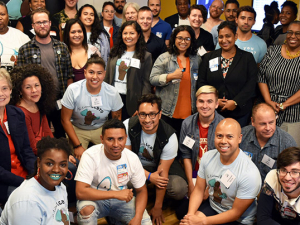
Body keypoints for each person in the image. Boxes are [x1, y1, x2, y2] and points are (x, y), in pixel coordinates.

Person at [180, 118, 262, 225]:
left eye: (229, 136)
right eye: (219, 136)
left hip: (238, 219)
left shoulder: (250, 173)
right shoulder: (208, 157)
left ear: (239, 138)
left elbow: (235, 213)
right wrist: (190, 217)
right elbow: (199, 190)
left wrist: (202, 221)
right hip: (214, 207)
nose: (223, 141)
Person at [124, 94, 187, 225]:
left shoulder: (170, 136)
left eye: (152, 114)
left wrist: (157, 207)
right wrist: (149, 176)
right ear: (137, 114)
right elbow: (127, 160)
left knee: (179, 188)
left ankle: (162, 200)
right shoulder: (128, 125)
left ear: (159, 114)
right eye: (143, 114)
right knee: (126, 181)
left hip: (162, 165)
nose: (147, 119)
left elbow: (162, 175)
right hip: (138, 165)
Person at [75, 119, 151, 225]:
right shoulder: (90, 155)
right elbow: (80, 192)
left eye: (120, 139)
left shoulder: (132, 158)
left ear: (126, 138)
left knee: (144, 221)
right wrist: (115, 194)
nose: (116, 144)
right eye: (110, 139)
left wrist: (137, 218)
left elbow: (142, 191)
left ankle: (114, 219)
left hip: (121, 201)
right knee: (86, 211)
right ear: (102, 139)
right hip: (95, 199)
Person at [17, 8, 73, 139]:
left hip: (60, 100)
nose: (42, 25)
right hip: (37, 101)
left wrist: (69, 99)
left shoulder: (62, 47)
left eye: (44, 22)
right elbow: (19, 80)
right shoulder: (25, 49)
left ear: (49, 23)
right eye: (38, 23)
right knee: (40, 137)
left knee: (61, 135)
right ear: (33, 26)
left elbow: (69, 75)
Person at [61, 54, 123, 160]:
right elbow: (65, 120)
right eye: (91, 72)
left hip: (102, 128)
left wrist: (111, 141)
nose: (95, 77)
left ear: (104, 74)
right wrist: (77, 146)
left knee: (110, 156)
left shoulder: (112, 92)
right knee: (79, 161)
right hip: (77, 128)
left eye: (99, 73)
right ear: (85, 73)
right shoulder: (72, 90)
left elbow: (116, 121)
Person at [198, 21, 257, 127]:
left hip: (240, 113)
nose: (224, 40)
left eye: (228, 36)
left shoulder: (247, 58)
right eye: (220, 37)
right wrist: (215, 100)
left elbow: (251, 85)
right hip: (213, 111)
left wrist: (235, 102)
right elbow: (202, 82)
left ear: (235, 36)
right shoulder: (209, 57)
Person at [0, 136, 72, 224]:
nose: (56, 170)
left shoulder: (61, 187)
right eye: (49, 163)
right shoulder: (26, 201)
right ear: (39, 163)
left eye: (63, 165)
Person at [150, 25, 201, 136]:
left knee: (186, 148)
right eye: (180, 38)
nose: (183, 41)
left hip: (190, 113)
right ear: (174, 39)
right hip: (167, 112)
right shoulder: (164, 58)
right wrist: (170, 76)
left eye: (187, 39)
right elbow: (152, 79)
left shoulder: (197, 59)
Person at [258, 21, 300, 147]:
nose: (293, 36)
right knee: (263, 149)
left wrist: (284, 105)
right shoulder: (273, 50)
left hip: (293, 113)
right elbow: (261, 76)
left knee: (289, 153)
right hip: (267, 107)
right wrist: (268, 101)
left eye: (298, 33)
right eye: (290, 32)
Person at [179, 85, 224, 199]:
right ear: (196, 103)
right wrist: (190, 184)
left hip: (216, 177)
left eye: (209, 101)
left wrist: (209, 187)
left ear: (216, 104)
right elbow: (186, 155)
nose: (205, 106)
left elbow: (225, 160)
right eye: (201, 101)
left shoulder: (224, 125)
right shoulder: (187, 124)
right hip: (194, 174)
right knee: (182, 211)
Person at [0, 68, 35, 204]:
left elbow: (27, 150)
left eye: (4, 88)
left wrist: (35, 175)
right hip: (4, 182)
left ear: (10, 90)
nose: (1, 94)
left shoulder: (17, 114)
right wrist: (24, 183)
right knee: (28, 200)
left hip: (25, 175)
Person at [105, 21, 152, 120]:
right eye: (125, 33)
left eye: (132, 33)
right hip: (112, 98)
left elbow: (146, 83)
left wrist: (142, 105)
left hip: (132, 101)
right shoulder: (114, 52)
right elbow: (107, 77)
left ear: (138, 35)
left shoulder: (145, 56)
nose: (128, 36)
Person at [240, 103, 297, 183]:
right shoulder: (241, 136)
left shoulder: (287, 143)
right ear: (253, 121)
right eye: (263, 124)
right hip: (243, 187)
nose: (268, 128)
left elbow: (293, 175)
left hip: (273, 191)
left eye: (271, 122)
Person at [10, 64, 56, 155]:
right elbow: (33, 147)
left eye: (37, 85)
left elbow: (48, 133)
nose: (34, 90)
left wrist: (59, 150)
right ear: (20, 90)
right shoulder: (20, 113)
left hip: (45, 151)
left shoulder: (38, 104)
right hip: (34, 157)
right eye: (28, 87)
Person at [257, 147, 300, 224]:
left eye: (295, 172)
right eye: (283, 170)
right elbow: (263, 218)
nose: (287, 178)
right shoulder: (273, 176)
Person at [0, 1, 30, 69]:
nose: (0, 17)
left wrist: (22, 63)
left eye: (2, 14)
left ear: (8, 16)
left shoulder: (21, 36)